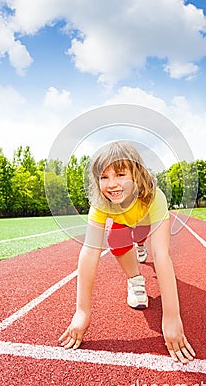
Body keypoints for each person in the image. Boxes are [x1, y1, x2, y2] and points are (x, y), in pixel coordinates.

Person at [59, 141, 195, 364]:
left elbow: (161, 255)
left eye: (120, 174)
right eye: (104, 177)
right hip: (123, 223)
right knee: (116, 238)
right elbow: (90, 251)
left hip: (145, 224)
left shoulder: (154, 197)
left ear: (137, 174)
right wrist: (82, 312)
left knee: (141, 240)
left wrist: (171, 316)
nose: (112, 184)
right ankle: (136, 279)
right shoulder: (101, 202)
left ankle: (140, 245)